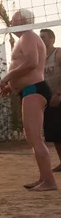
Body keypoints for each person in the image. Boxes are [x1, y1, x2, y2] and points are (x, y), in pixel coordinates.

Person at [0, 9, 57, 191]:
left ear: (23, 20)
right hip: (30, 89)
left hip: (35, 90)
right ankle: (43, 178)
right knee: (32, 137)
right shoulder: (25, 38)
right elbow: (30, 67)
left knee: (34, 137)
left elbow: (32, 63)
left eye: (13, 19)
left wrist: (8, 77)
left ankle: (49, 181)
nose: (10, 22)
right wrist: (12, 87)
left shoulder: (29, 36)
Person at [39, 28, 61, 172]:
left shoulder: (58, 53)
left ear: (52, 39)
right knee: (55, 134)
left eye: (44, 37)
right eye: (39, 37)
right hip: (49, 100)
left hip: (59, 97)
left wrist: (59, 94)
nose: (41, 39)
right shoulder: (39, 58)